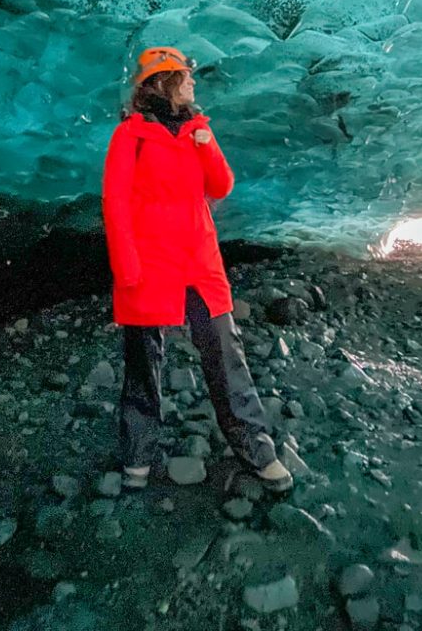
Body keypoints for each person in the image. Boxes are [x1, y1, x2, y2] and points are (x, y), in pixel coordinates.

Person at [102, 46, 293, 493]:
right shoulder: (129, 138)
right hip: (149, 265)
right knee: (142, 362)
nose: (192, 82)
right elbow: (116, 205)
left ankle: (257, 451)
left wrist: (206, 148)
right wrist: (126, 268)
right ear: (162, 83)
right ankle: (137, 457)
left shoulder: (197, 130)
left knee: (226, 355)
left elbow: (221, 186)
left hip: (198, 262)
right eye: (184, 76)